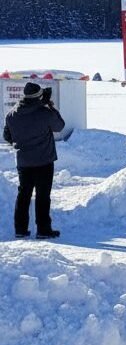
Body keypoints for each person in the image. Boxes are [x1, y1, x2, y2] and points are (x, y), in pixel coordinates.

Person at [3, 83, 65, 239]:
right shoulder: (44, 112)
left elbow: (7, 136)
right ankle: (43, 230)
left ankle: (20, 229)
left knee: (23, 195)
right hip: (44, 160)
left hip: (23, 162)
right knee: (43, 196)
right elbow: (59, 126)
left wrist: (20, 145)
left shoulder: (12, 114)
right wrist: (49, 105)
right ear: (39, 96)